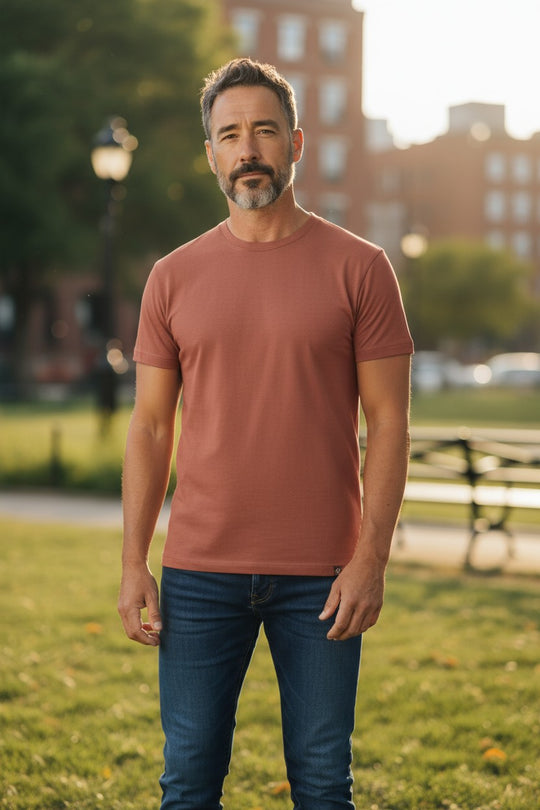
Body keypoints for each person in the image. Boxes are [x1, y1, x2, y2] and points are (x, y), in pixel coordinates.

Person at [118, 58, 413, 809]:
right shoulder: (173, 277)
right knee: (186, 783)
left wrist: (370, 559)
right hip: (199, 573)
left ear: (297, 144)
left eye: (264, 131)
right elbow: (151, 428)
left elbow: (388, 422)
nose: (247, 148)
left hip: (324, 578)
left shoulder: (363, 268)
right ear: (212, 154)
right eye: (230, 134)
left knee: (322, 784)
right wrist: (132, 562)